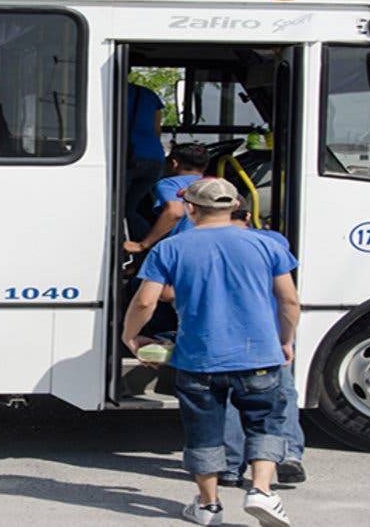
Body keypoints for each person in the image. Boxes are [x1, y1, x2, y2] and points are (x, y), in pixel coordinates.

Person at [122, 178, 300, 527]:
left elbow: (145, 300)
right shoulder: (267, 245)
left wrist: (132, 336)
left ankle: (209, 505)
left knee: (203, 430)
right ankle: (261, 490)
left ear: (190, 208)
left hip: (198, 358)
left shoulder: (170, 248)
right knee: (264, 422)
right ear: (235, 206)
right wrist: (285, 339)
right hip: (260, 357)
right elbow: (289, 301)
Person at [222, 197, 307, 488]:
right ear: (247, 214)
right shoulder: (272, 240)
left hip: (224, 337)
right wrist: (288, 339)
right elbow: (288, 298)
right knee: (281, 397)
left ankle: (231, 467)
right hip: (268, 335)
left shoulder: (196, 241)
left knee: (231, 403)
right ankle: (288, 455)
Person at [123, 142, 208, 253]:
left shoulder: (170, 184)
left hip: (183, 248)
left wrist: (143, 245)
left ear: (174, 164)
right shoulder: (215, 185)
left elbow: (175, 212)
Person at [124, 83, 166, 238]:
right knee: (131, 208)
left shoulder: (109, 91)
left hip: (129, 158)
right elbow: (157, 129)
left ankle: (147, 243)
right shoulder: (148, 94)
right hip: (154, 158)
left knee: (122, 210)